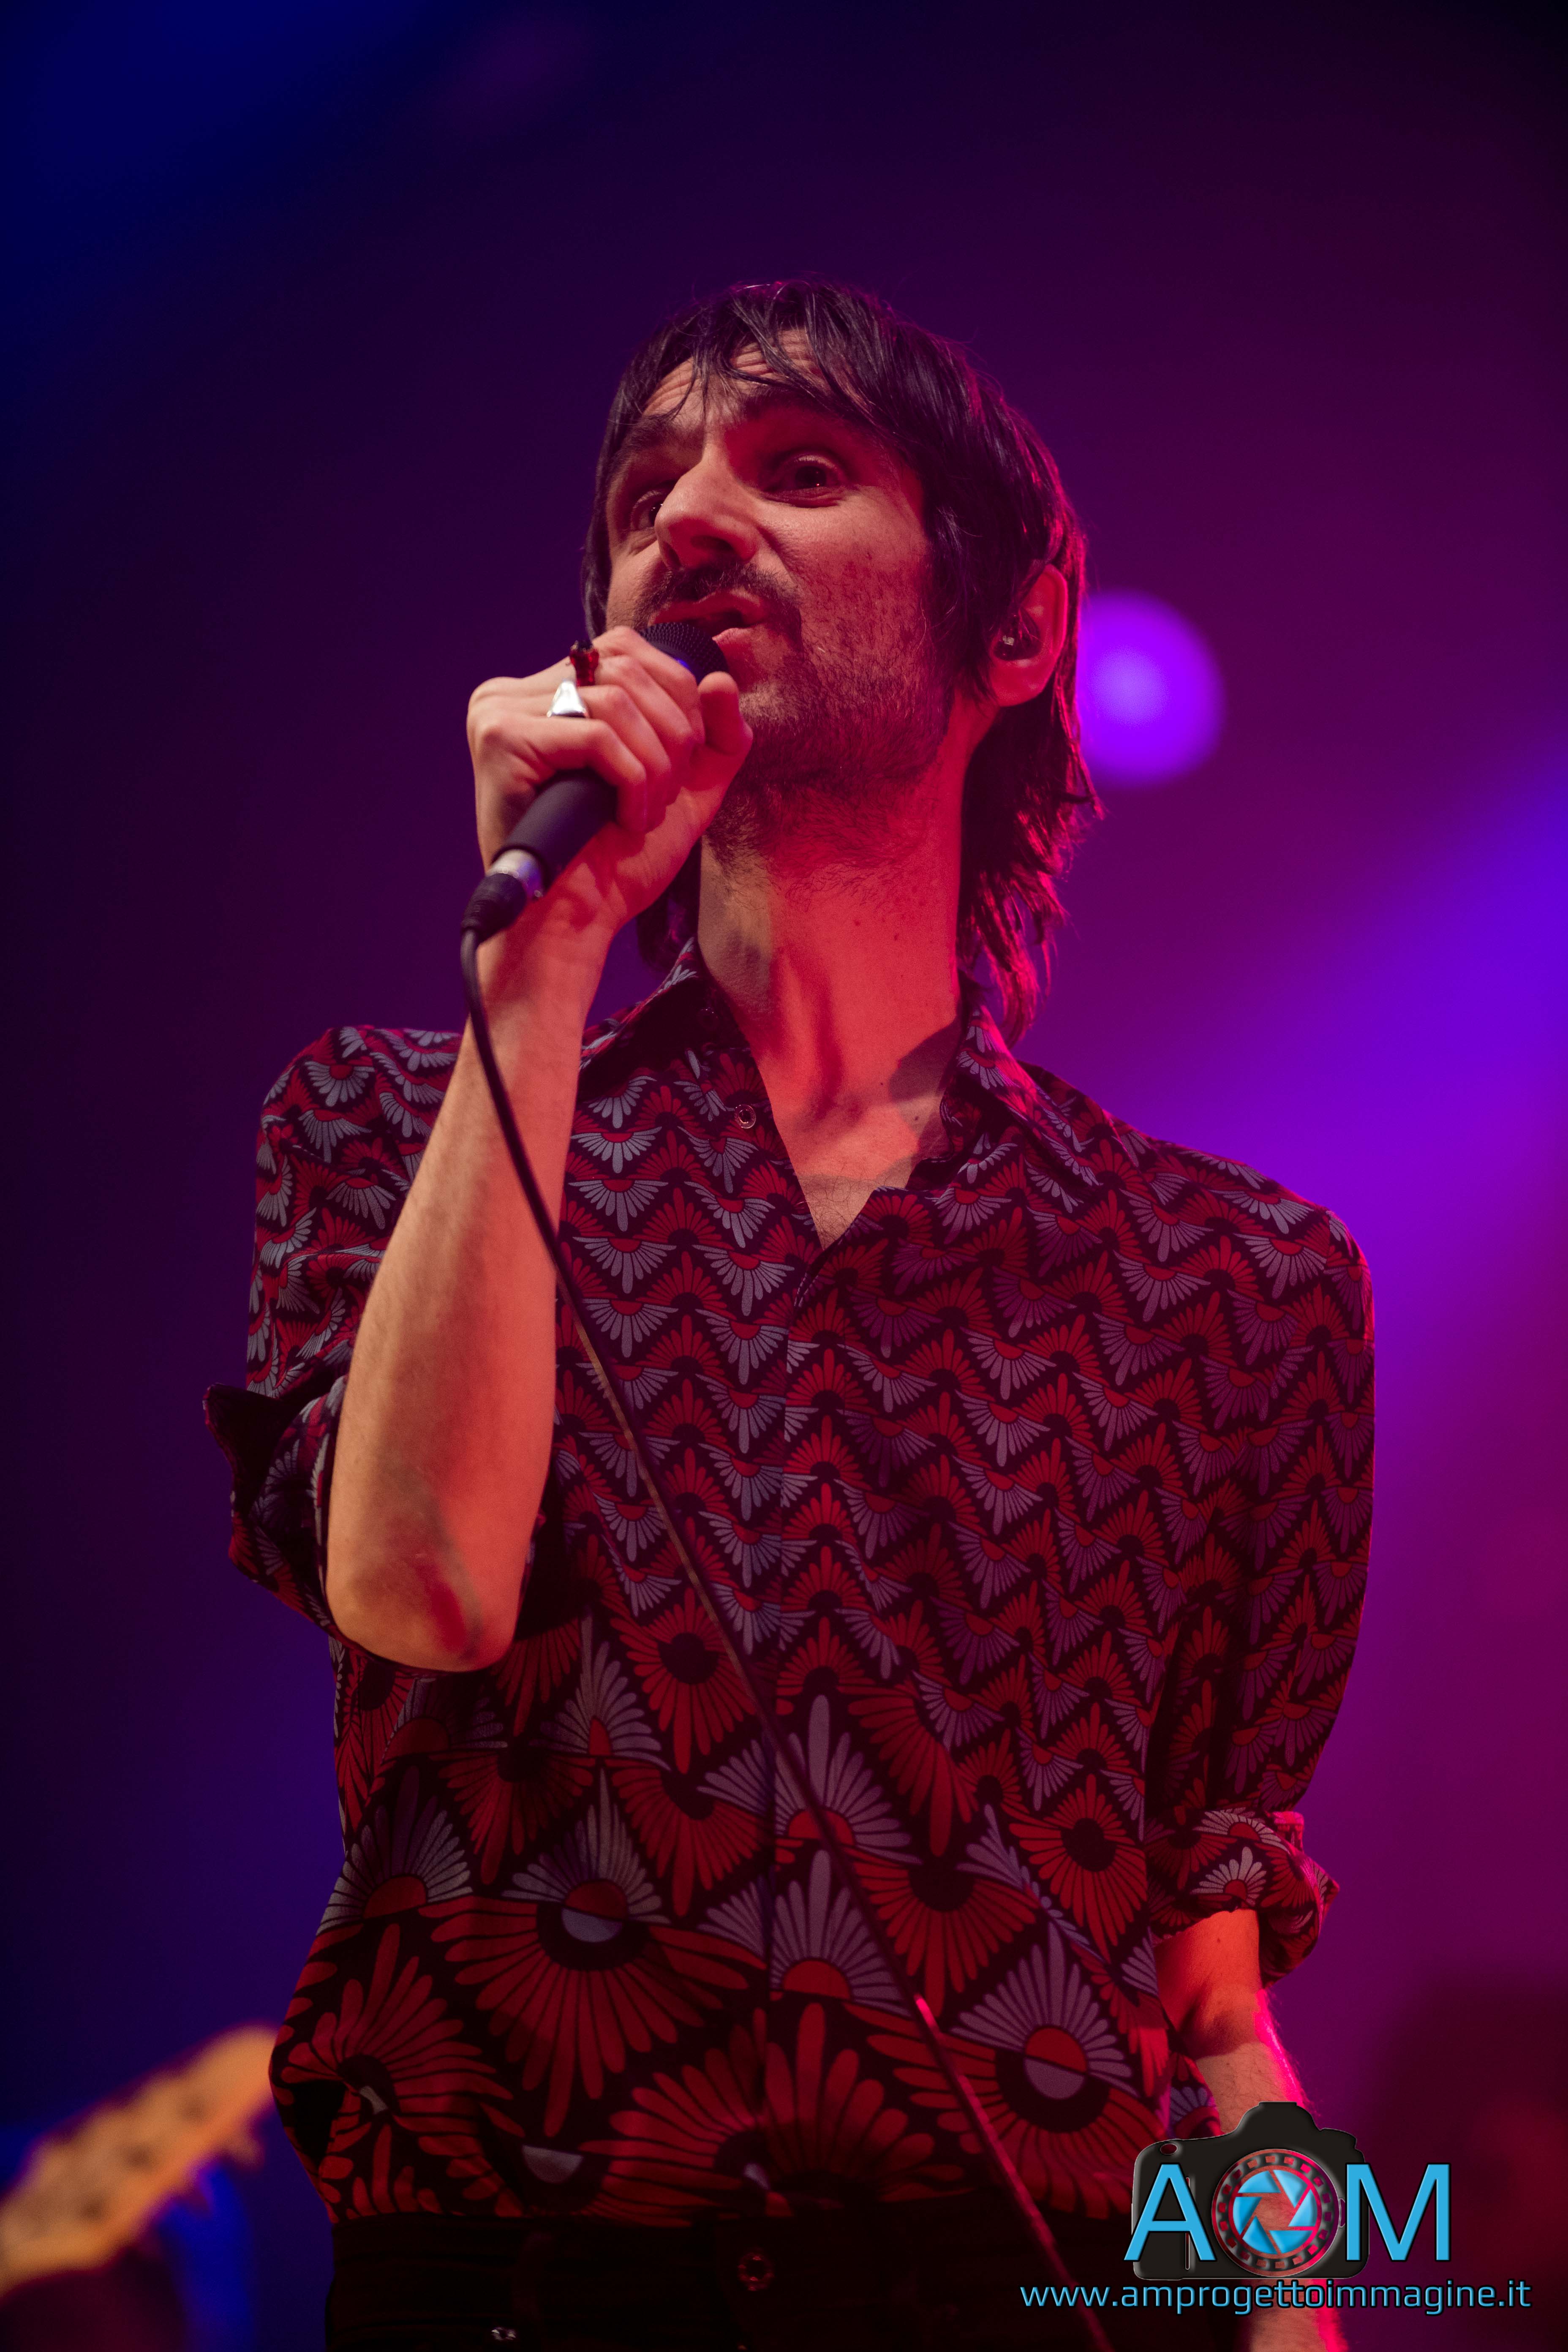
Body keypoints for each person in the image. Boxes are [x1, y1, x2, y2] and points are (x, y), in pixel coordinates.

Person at [207, 279, 1373, 2352]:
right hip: (520, 2297)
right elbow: (420, 1588)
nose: (688, 522)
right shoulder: (395, 1126)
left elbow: (1213, 2020)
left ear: (1019, 631)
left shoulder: (1234, 1288)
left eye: (802, 469)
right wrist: (542, 966)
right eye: (642, 495)